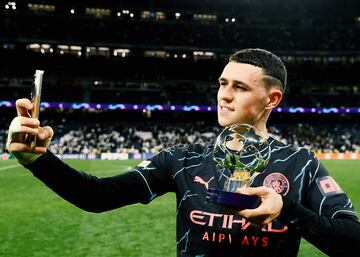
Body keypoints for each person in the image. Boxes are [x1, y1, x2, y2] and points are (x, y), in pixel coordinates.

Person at [6, 48, 360, 256]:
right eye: (222, 84)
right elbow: (98, 196)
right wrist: (39, 160)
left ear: (272, 99)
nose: (224, 94)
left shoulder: (300, 164)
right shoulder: (180, 160)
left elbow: (352, 240)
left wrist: (287, 210)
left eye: (239, 87)